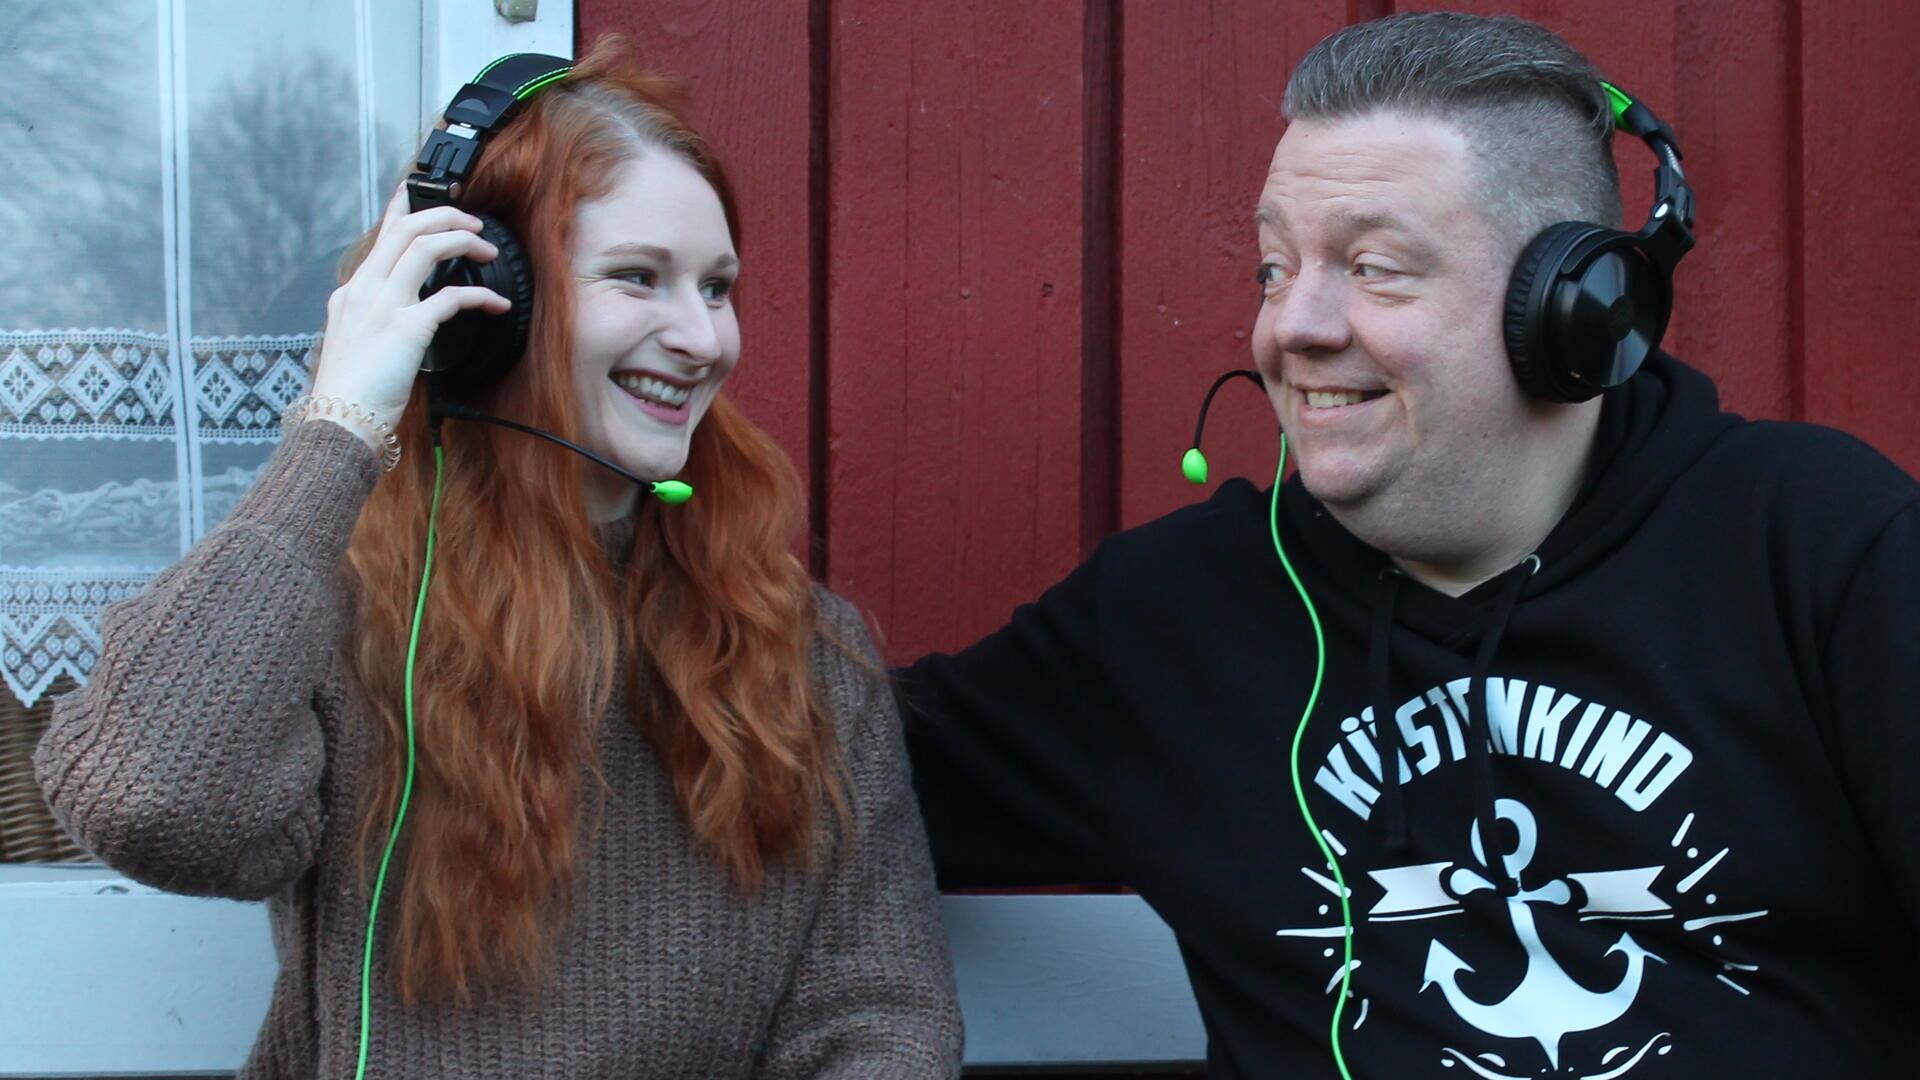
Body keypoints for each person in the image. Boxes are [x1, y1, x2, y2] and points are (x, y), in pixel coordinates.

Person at [895, 12, 1918, 1079]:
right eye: (1273, 268)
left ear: (1579, 310)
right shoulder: (1175, 617)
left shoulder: (1819, 546)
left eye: (1375, 268)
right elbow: (779, 776)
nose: (1296, 325)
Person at [37, 39, 961, 1079]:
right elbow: (149, 801)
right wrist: (338, 428)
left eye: (717, 287)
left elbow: (878, 1017)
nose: (702, 338)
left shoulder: (806, 654)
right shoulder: (346, 616)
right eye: (639, 280)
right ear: (488, 304)